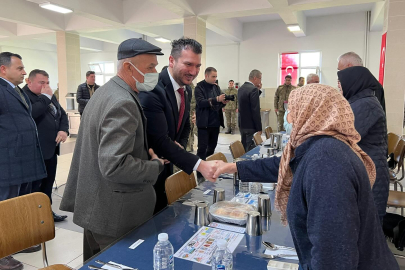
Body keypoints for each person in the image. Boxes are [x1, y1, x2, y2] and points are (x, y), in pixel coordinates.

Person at [213, 84, 399, 270]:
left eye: (293, 111)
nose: (289, 118)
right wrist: (233, 166)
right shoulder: (322, 146)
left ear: (311, 113)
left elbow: (333, 257)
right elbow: (284, 165)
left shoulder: (327, 162)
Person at [59, 39, 165, 261]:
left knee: (95, 263)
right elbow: (115, 165)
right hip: (115, 213)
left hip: (96, 206)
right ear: (128, 67)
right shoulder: (122, 102)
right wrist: (153, 165)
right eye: (150, 67)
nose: (155, 72)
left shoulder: (105, 91)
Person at [138, 38, 218, 213]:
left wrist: (179, 144)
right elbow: (158, 140)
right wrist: (200, 165)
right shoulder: (153, 89)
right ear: (171, 60)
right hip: (149, 166)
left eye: (197, 66)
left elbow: (186, 123)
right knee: (153, 216)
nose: (193, 71)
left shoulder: (187, 88)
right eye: (188, 64)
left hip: (168, 159)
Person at [0, 52, 47, 270]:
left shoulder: (15, 90)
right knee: (5, 205)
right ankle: (2, 253)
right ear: (3, 69)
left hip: (22, 159)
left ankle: (15, 242)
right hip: (7, 160)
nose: (24, 71)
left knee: (19, 202)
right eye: (19, 68)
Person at [338, 66, 389, 223]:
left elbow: (344, 136)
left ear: (353, 82)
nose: (339, 87)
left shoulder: (365, 104)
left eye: (341, 83)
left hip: (371, 173)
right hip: (367, 169)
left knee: (368, 227)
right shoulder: (360, 101)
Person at [22, 69, 69, 222]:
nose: (45, 86)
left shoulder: (49, 95)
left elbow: (61, 114)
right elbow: (33, 113)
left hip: (51, 148)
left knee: (48, 184)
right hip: (36, 151)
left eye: (47, 83)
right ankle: (35, 218)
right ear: (29, 81)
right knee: (36, 187)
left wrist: (63, 130)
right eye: (41, 83)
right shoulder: (23, 96)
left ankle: (47, 213)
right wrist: (46, 97)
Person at [195, 67, 227, 161]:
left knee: (212, 148)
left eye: (216, 76)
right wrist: (217, 99)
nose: (215, 79)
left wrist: (223, 102)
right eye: (213, 76)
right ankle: (200, 173)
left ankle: (208, 168)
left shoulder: (216, 87)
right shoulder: (199, 87)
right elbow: (200, 103)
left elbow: (218, 104)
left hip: (215, 123)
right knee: (202, 149)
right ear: (206, 75)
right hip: (204, 124)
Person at [238, 70, 262, 152]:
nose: (260, 81)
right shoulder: (253, 90)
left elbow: (247, 102)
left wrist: (258, 90)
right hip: (251, 126)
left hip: (242, 124)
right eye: (260, 79)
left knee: (244, 147)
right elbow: (255, 110)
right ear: (255, 78)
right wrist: (259, 128)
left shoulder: (241, 88)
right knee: (250, 151)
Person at [186, 82, 197, 152]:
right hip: (185, 113)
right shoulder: (183, 87)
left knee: (190, 131)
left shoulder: (194, 90)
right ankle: (188, 147)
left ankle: (189, 147)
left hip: (191, 113)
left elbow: (196, 103)